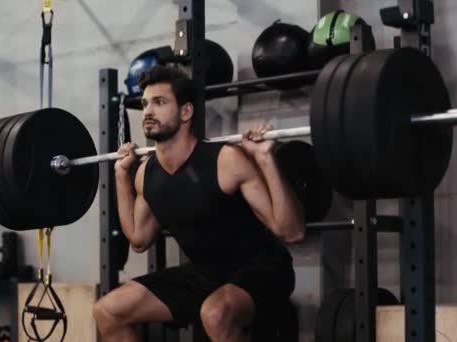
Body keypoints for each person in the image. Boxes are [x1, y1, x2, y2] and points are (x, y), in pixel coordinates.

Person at [93, 64, 306, 342]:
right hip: (205, 273)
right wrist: (122, 175)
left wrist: (265, 159)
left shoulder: (225, 160)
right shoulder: (146, 173)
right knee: (107, 311)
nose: (147, 111)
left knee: (215, 313)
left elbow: (292, 231)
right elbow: (138, 239)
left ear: (186, 112)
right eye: (145, 103)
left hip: (263, 268)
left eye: (159, 102)